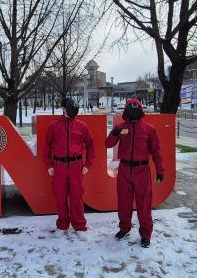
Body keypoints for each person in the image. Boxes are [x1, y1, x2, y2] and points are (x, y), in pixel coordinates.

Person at [105, 97, 164, 248]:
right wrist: (115, 133)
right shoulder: (121, 127)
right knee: (124, 203)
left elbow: (157, 151)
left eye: (136, 108)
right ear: (126, 111)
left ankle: (145, 234)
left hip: (142, 170)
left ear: (140, 110)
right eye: (130, 109)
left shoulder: (149, 129)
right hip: (124, 169)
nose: (133, 111)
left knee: (144, 205)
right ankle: (124, 229)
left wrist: (160, 170)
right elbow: (108, 144)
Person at [43, 98, 95, 240]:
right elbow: (47, 146)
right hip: (59, 166)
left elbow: (90, 145)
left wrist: (87, 165)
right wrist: (49, 165)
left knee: (76, 197)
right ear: (64, 108)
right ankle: (62, 225)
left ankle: (80, 226)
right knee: (60, 196)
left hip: (76, 166)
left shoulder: (82, 126)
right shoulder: (54, 126)